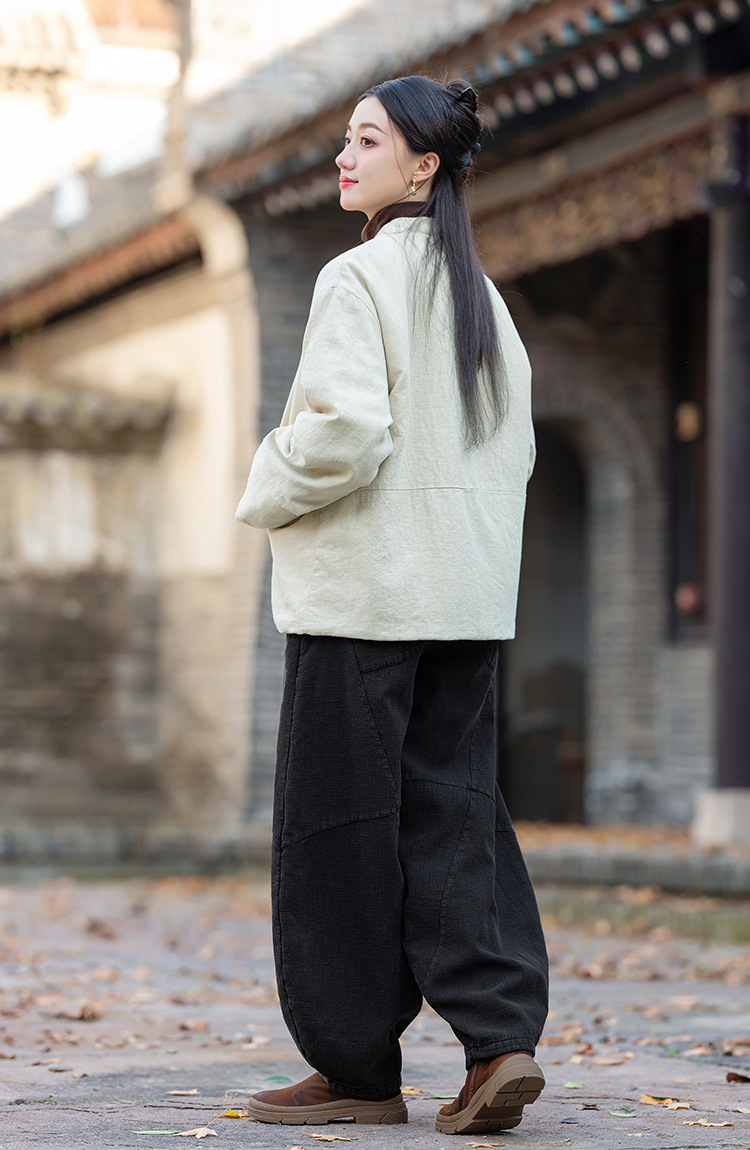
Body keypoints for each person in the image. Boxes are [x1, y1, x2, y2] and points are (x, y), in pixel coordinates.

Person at [235, 74, 549, 1134]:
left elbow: (346, 434)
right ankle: (497, 1042)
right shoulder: (482, 297)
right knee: (456, 818)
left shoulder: (357, 277)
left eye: (367, 140)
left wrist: (263, 480)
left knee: (337, 833)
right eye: (345, 138)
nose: (344, 155)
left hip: (361, 599)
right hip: (463, 600)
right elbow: (515, 451)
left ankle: (357, 1069)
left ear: (423, 166)